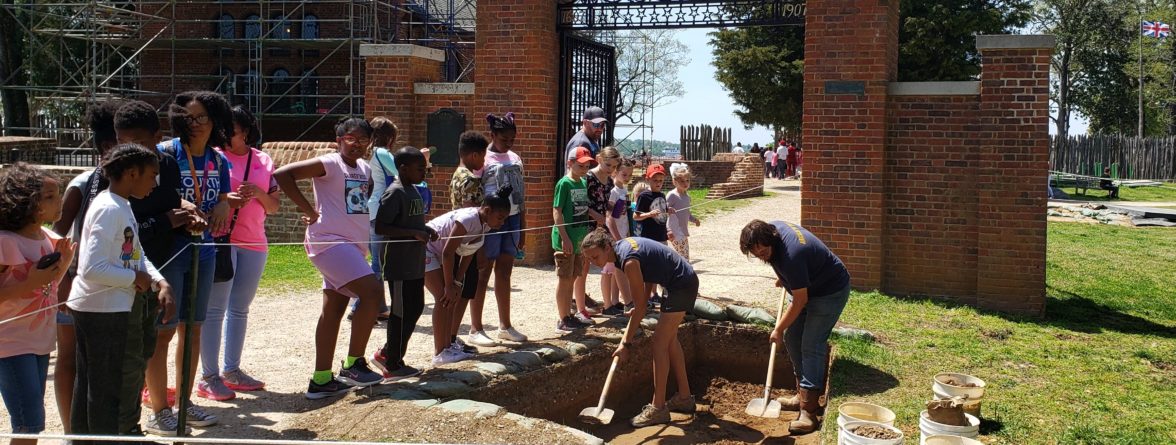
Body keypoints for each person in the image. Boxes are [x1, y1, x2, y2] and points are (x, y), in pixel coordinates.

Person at [68, 145, 176, 444]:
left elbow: (133, 254)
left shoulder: (122, 205)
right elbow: (92, 268)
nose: (155, 184)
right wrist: (135, 278)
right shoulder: (108, 208)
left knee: (97, 385)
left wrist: (158, 281)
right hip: (100, 310)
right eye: (152, 175)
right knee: (103, 390)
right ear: (131, 173)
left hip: (112, 306)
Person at [274, 117, 385, 399]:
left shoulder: (363, 168)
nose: (357, 143)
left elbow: (358, 201)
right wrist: (310, 211)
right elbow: (283, 174)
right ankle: (354, 364)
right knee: (372, 292)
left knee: (334, 309)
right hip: (330, 243)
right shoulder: (329, 162)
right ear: (338, 139)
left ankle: (321, 379)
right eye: (351, 138)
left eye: (363, 139)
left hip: (353, 245)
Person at [145, 91, 232, 434]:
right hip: (171, 250)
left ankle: (184, 402)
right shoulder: (167, 154)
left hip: (205, 250)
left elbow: (222, 194)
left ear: (215, 120)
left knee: (193, 329)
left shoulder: (218, 160)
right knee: (163, 331)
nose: (195, 125)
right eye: (189, 118)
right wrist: (184, 203)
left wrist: (224, 202)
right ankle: (159, 409)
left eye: (202, 118)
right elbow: (156, 193)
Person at [198, 106, 280, 401]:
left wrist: (257, 193)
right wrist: (228, 200)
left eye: (229, 128)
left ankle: (232, 371)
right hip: (223, 240)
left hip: (255, 241)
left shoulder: (263, 160)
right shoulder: (214, 158)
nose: (223, 134)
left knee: (240, 308)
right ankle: (209, 377)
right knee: (214, 309)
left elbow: (274, 205)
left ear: (244, 130)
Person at [740, 219, 851, 434]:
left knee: (811, 343)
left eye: (763, 250)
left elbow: (800, 299)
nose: (760, 253)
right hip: (808, 285)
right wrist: (787, 278)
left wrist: (778, 329)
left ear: (771, 239)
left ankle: (809, 411)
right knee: (793, 339)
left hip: (830, 291)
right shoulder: (771, 231)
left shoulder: (793, 255)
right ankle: (802, 393)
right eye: (756, 252)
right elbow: (782, 263)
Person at [51, 100, 120, 435]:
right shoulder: (80, 186)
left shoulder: (138, 184)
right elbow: (56, 239)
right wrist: (61, 281)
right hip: (76, 286)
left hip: (117, 289)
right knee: (69, 359)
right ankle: (71, 432)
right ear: (110, 145)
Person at [581, 230, 697, 427]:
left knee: (659, 344)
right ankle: (685, 397)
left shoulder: (628, 261)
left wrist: (625, 343)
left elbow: (642, 307)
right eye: (589, 258)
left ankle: (658, 408)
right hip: (680, 281)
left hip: (680, 284)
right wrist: (640, 303)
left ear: (607, 247)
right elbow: (650, 270)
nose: (593, 262)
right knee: (669, 341)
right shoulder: (623, 249)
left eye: (595, 256)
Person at [0, 163, 74, 445]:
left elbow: (48, 287)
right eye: (51, 196)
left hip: (41, 341)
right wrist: (32, 281)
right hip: (10, 344)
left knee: (31, 423)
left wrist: (64, 264)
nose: (60, 202)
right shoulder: (5, 242)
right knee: (28, 423)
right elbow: (29, 286)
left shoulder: (50, 239)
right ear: (25, 201)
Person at [423, 188, 512, 365]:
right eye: (500, 217)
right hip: (426, 249)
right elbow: (448, 253)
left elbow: (468, 251)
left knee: (452, 297)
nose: (502, 223)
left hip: (440, 253)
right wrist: (449, 285)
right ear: (487, 210)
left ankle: (448, 346)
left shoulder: (485, 223)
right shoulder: (468, 219)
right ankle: (439, 353)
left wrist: (457, 282)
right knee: (444, 298)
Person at [370, 147, 434, 381]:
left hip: (414, 262)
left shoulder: (413, 191)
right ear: (403, 168)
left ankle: (388, 353)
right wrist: (412, 233)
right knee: (399, 312)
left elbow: (412, 223)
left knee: (416, 307)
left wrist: (425, 230)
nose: (424, 173)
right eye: (420, 169)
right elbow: (381, 227)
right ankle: (393, 364)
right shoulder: (394, 192)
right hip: (398, 264)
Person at [477, 112, 528, 343]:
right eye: (504, 139)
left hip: (513, 218)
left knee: (505, 272)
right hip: (490, 221)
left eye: (512, 139)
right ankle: (476, 328)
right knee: (483, 271)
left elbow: (521, 194)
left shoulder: (516, 158)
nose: (509, 143)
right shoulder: (483, 159)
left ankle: (505, 325)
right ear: (493, 135)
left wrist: (523, 226)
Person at [446, 131, 492, 348]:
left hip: (456, 237)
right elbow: (472, 215)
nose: (483, 161)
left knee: (460, 287)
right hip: (468, 241)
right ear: (474, 155)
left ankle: (450, 336)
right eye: (483, 156)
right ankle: (451, 337)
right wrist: (479, 249)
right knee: (464, 291)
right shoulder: (472, 180)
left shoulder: (457, 175)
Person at [352, 116, 399, 322]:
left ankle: (380, 307)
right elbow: (401, 173)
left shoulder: (365, 154)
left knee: (375, 261)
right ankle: (359, 306)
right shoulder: (381, 152)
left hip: (365, 210)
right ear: (389, 137)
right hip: (380, 211)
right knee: (378, 264)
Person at [552, 146, 595, 332]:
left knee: (574, 277)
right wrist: (564, 237)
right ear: (570, 164)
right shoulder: (564, 184)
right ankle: (562, 318)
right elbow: (557, 211)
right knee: (564, 278)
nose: (584, 170)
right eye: (580, 166)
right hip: (567, 239)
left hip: (579, 239)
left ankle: (569, 315)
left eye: (586, 167)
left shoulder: (583, 183)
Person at [581, 146, 622, 323]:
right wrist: (594, 214)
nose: (611, 169)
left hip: (602, 228)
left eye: (614, 167)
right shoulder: (589, 178)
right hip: (586, 227)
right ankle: (579, 307)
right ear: (599, 159)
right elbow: (580, 203)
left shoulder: (610, 182)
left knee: (607, 264)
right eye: (608, 165)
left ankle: (610, 302)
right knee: (582, 269)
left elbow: (609, 206)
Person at [602, 157, 636, 315]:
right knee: (609, 270)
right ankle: (607, 304)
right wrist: (616, 237)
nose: (627, 177)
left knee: (618, 270)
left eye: (630, 175)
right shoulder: (613, 192)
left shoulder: (623, 190)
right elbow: (610, 217)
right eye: (624, 174)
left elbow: (623, 215)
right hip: (615, 236)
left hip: (623, 233)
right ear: (616, 172)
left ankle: (616, 301)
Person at [666, 164, 701, 261]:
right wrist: (668, 210)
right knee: (682, 255)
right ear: (675, 182)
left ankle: (681, 271)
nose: (685, 183)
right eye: (682, 181)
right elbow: (663, 209)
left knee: (685, 254)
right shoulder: (672, 195)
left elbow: (687, 213)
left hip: (683, 230)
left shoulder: (687, 197)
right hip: (675, 230)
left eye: (687, 180)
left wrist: (694, 220)